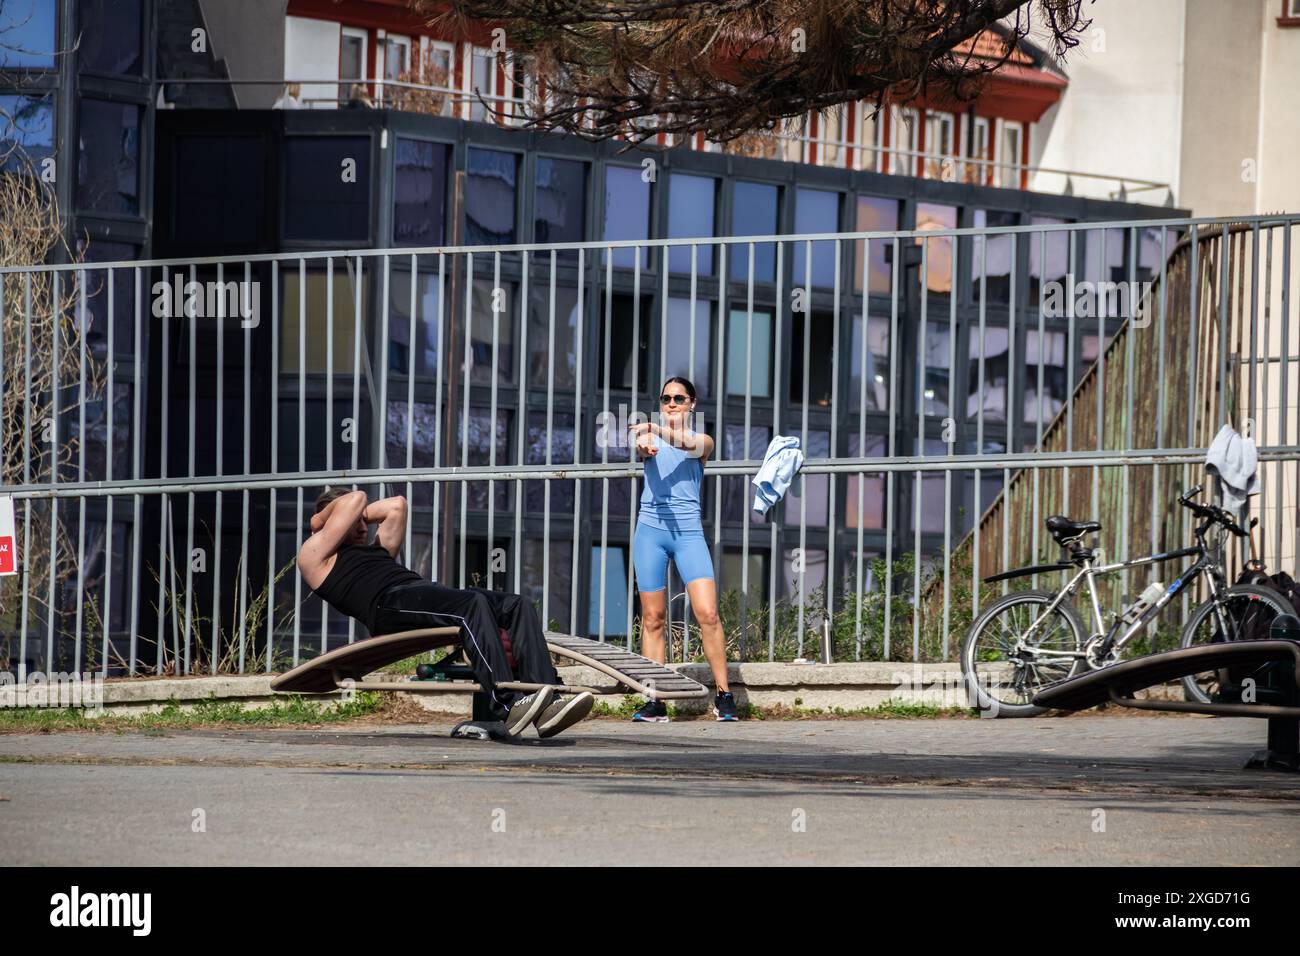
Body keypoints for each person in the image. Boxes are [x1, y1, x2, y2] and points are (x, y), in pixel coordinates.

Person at [297, 487, 592, 738]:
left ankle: (546, 699)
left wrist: (353, 515)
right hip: (387, 606)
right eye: (354, 523)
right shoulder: (316, 555)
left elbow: (397, 505)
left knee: (517, 604)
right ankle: (506, 703)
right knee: (470, 606)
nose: (363, 528)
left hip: (417, 593)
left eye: (364, 521)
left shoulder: (376, 549)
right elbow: (357, 497)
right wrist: (320, 519)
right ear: (332, 523)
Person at [629, 376, 738, 721]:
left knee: (708, 613)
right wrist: (644, 442)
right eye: (666, 399)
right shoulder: (650, 436)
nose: (672, 404)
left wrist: (657, 432)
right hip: (650, 531)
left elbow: (689, 445)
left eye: (679, 398)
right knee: (653, 618)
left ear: (692, 404)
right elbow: (643, 443)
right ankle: (654, 699)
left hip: (689, 534)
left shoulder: (703, 440)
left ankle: (724, 695)